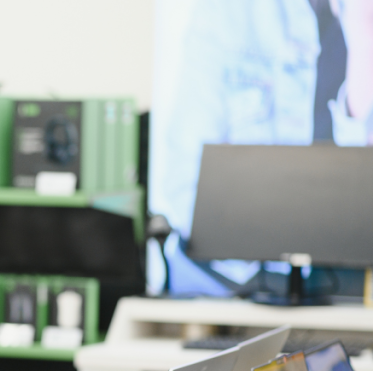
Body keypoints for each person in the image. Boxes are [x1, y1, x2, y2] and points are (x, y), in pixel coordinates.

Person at [150, 0, 373, 297]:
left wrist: (363, 40)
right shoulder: (224, 14)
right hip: (232, 287)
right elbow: (186, 191)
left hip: (346, 293)